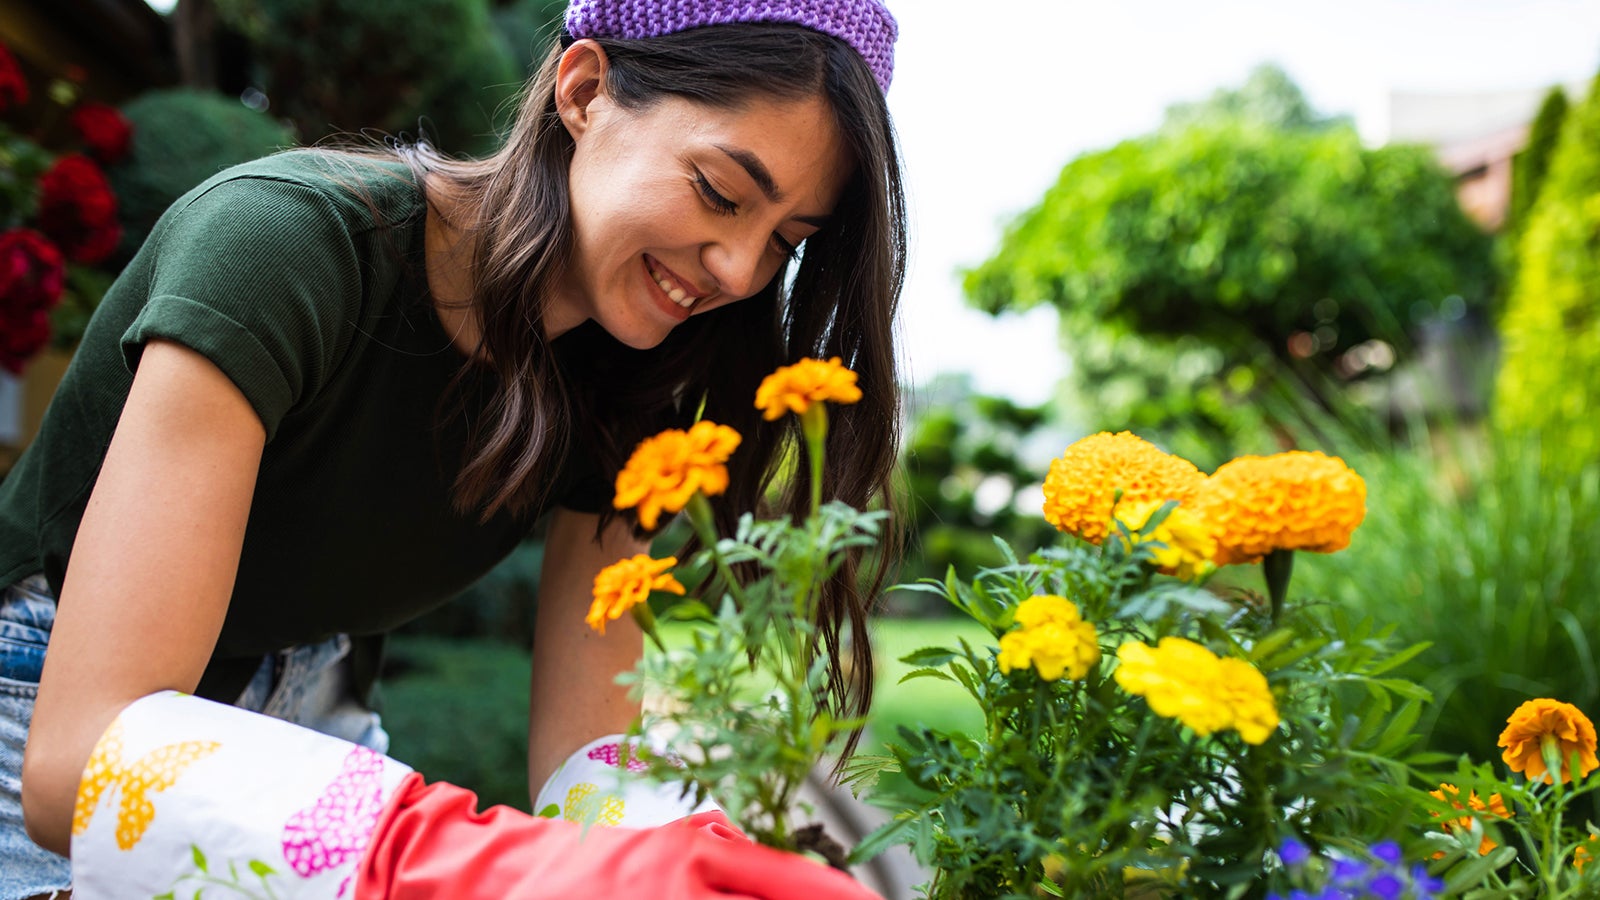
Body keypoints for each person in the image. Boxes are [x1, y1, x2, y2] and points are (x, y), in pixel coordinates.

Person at [0, 0, 906, 894]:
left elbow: (585, 750)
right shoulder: (281, 247)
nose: (741, 272)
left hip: (312, 717)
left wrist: (668, 852)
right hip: (42, 698)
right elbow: (81, 760)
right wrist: (474, 866)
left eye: (785, 243)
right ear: (584, 90)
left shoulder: (640, 370)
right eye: (719, 192)